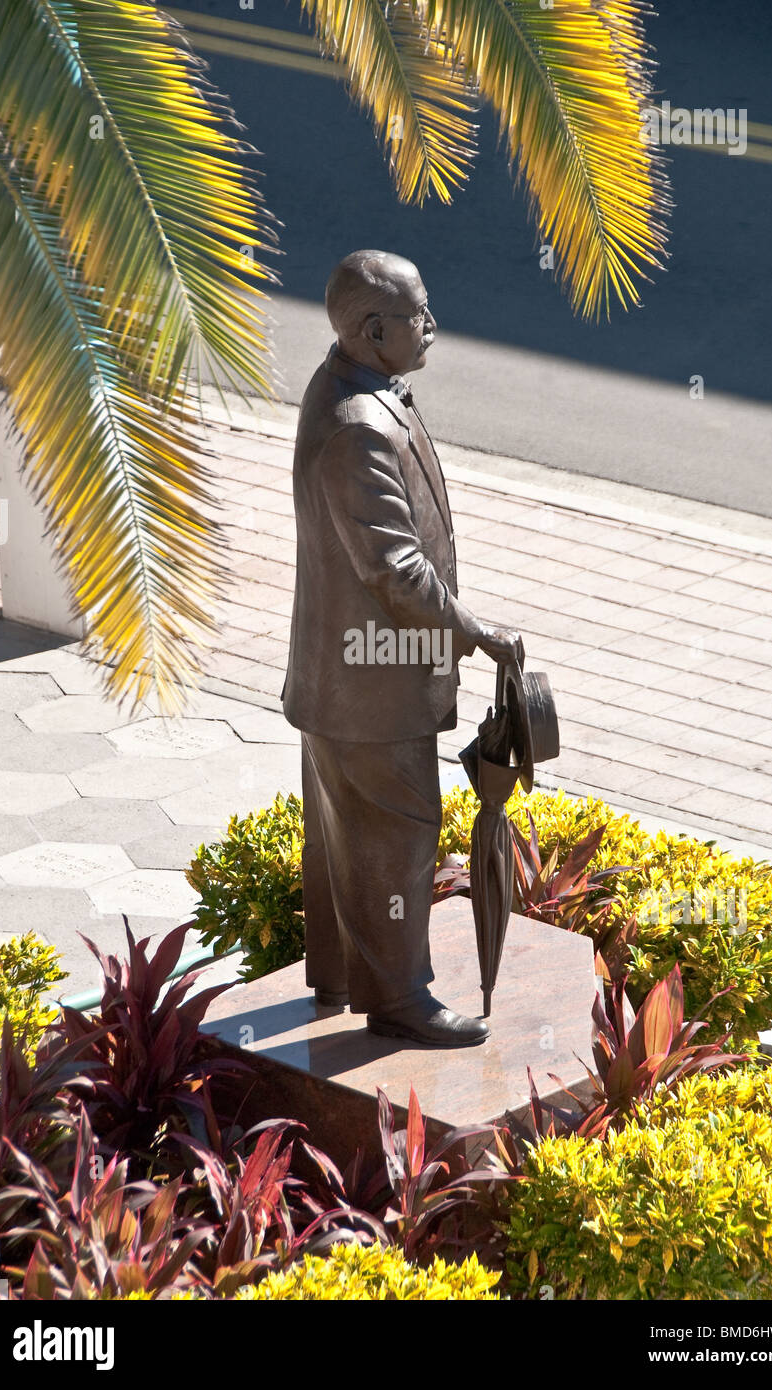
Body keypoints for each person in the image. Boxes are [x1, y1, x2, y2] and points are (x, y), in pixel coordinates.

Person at [282, 250, 522, 1047]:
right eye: (420, 316)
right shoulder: (357, 429)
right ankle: (399, 1000)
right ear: (375, 329)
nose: (434, 328)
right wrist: (477, 632)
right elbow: (396, 572)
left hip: (342, 682)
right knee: (399, 834)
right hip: (371, 689)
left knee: (346, 831)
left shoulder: (352, 383)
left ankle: (344, 975)